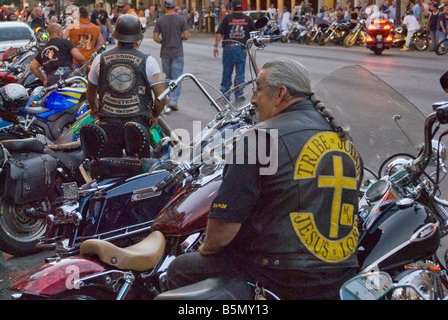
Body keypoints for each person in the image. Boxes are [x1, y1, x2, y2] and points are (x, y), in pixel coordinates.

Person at [166, 57, 363, 300]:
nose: (252, 99)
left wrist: (207, 247)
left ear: (281, 93)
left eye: (258, 89)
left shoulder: (259, 138)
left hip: (277, 274)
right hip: (340, 273)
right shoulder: (342, 138)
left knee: (179, 268)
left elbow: (222, 231)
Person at [86, 14, 166, 158]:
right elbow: (162, 96)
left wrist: (94, 108)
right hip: (138, 125)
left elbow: (91, 91)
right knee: (139, 167)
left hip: (108, 123)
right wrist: (154, 115)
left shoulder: (99, 59)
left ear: (116, 36)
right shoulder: (150, 61)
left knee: (110, 165)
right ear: (138, 38)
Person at [213, 0, 255, 102]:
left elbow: (219, 33)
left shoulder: (227, 18)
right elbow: (254, 34)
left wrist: (216, 46)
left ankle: (225, 93)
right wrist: (250, 45)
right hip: (241, 48)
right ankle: (239, 94)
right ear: (242, 8)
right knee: (240, 73)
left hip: (229, 48)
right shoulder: (248, 19)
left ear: (231, 8)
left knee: (227, 72)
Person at [153, 0, 190, 111]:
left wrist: (162, 42)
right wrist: (180, 38)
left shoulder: (160, 20)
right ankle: (173, 101)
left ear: (165, 7)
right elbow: (187, 36)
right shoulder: (181, 19)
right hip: (177, 52)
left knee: (167, 78)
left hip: (165, 52)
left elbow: (155, 37)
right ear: (174, 6)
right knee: (177, 78)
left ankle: (167, 99)